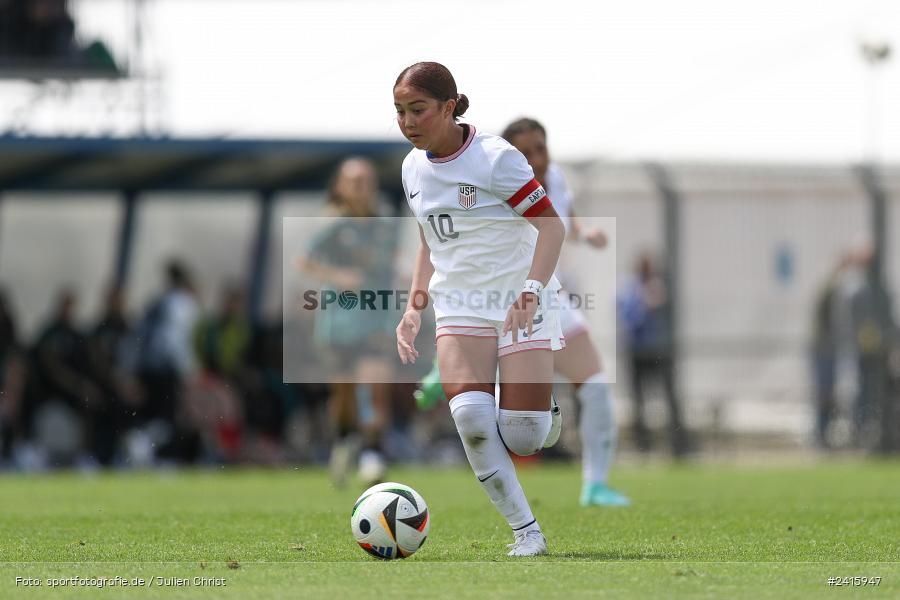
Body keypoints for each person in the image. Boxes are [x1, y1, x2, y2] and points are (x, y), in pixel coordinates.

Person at [394, 62, 566, 557]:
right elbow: (430, 240)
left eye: (418, 110)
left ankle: (545, 412)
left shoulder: (495, 158)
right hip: (459, 306)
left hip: (518, 300)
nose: (408, 121)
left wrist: (532, 288)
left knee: (525, 436)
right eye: (400, 112)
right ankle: (526, 532)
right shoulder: (411, 168)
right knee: (470, 416)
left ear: (449, 107)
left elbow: (552, 227)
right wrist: (413, 307)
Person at [415, 117, 630, 506]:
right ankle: (459, 371)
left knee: (596, 384)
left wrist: (585, 233)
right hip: (497, 299)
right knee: (511, 426)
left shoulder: (558, 179)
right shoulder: (498, 176)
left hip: (545, 297)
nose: (536, 158)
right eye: (526, 151)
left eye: (541, 148)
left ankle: (595, 484)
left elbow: (564, 218)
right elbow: (451, 248)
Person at [299, 157, 398, 486]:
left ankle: (372, 454)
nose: (361, 187)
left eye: (366, 181)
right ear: (340, 186)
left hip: (376, 321)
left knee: (373, 388)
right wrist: (336, 274)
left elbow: (391, 266)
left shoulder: (384, 226)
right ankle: (343, 441)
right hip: (338, 323)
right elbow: (304, 261)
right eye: (354, 181)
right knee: (344, 398)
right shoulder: (332, 224)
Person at [617, 252, 689, 457]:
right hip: (638, 352)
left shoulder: (659, 285)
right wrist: (643, 303)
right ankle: (643, 444)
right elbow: (627, 318)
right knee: (638, 400)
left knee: (670, 397)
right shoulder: (629, 288)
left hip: (658, 351)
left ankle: (677, 443)